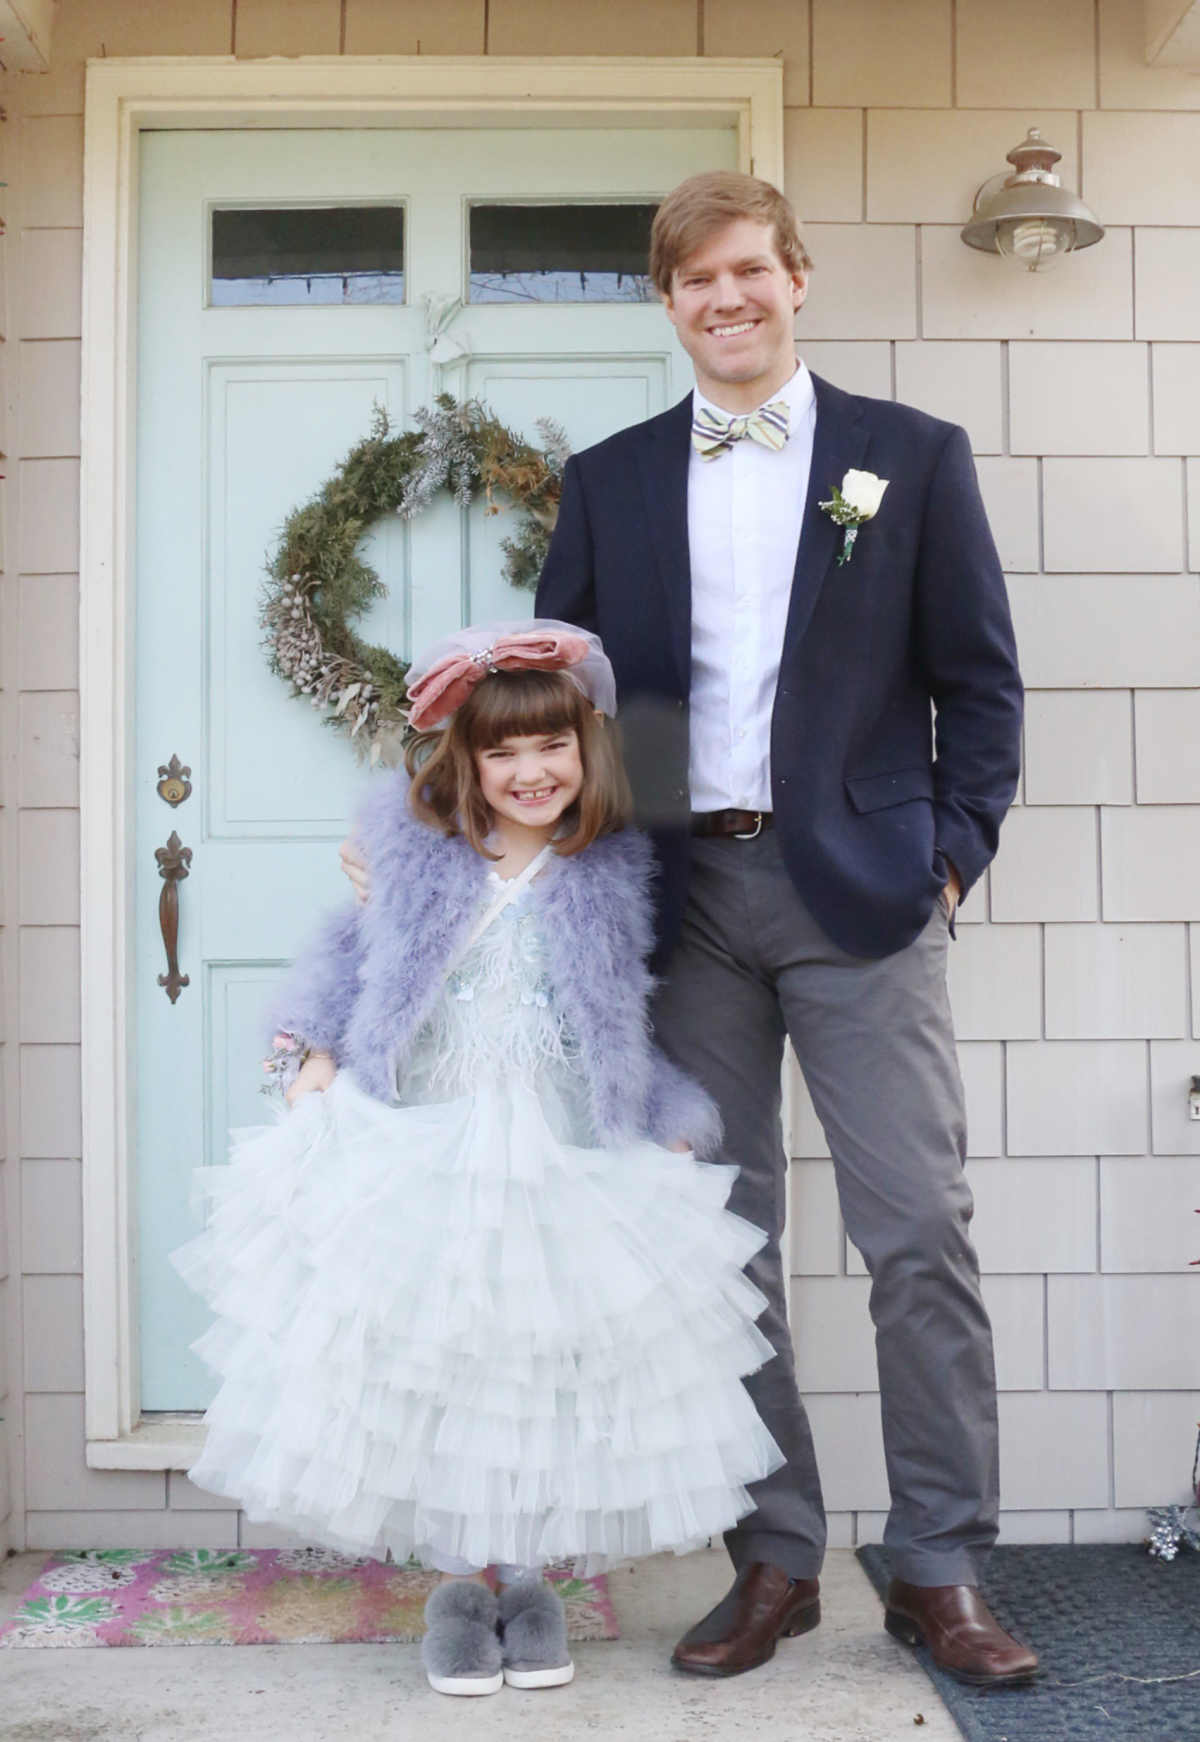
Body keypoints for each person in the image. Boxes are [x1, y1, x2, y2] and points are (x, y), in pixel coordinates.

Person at [533, 171, 1034, 1686]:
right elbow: (567, 703)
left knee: (918, 1231)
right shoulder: (609, 480)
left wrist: (950, 857)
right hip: (687, 907)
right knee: (725, 1242)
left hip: (865, 896)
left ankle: (939, 1564)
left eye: (748, 269)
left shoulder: (909, 457)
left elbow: (980, 681)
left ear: (796, 277)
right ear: (668, 303)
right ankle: (776, 1554)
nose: (726, 298)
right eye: (695, 280)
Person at [172, 619, 783, 1699]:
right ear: (467, 758)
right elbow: (350, 957)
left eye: (551, 745)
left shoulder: (609, 866)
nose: (531, 771)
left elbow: (621, 1016)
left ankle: (531, 1580)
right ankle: (458, 1587)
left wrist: (665, 1111)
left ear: (585, 749)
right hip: (429, 1133)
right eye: (504, 752)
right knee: (445, 1362)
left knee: (537, 1367)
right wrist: (311, 1049)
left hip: (559, 1142)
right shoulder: (413, 851)